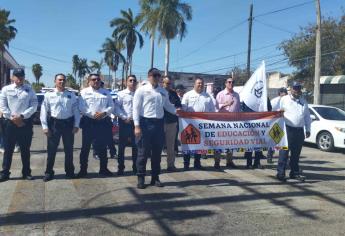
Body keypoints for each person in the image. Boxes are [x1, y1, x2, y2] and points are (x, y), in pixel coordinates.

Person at [133, 68, 177, 189]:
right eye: (154, 75)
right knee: (143, 153)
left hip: (159, 124)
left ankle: (155, 177)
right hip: (145, 123)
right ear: (149, 76)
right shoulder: (141, 90)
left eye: (158, 76)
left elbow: (168, 106)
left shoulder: (163, 91)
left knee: (157, 153)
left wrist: (179, 112)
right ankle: (141, 178)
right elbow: (135, 109)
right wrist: (136, 126)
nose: (157, 77)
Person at [40, 73, 80, 182]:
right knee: (51, 150)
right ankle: (49, 172)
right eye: (59, 80)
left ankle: (70, 171)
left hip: (68, 124)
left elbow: (76, 111)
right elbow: (44, 111)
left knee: (69, 150)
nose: (62, 82)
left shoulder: (71, 95)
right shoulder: (48, 95)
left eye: (63, 80)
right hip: (54, 124)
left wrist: (76, 125)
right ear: (55, 81)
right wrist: (45, 126)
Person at [0, 68, 38, 182]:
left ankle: (26, 172)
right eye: (16, 75)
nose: (19, 78)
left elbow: (34, 104)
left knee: (25, 149)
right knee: (8, 149)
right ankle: (5, 172)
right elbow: (2, 106)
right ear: (12, 77)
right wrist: (13, 117)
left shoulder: (29, 89)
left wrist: (21, 116)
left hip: (24, 123)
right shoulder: (6, 89)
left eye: (21, 75)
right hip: (9, 124)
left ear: (24, 77)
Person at [78, 73, 114, 178]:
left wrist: (104, 113)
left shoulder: (106, 92)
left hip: (102, 122)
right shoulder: (84, 92)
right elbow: (81, 106)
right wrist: (93, 115)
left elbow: (111, 105)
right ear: (89, 81)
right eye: (93, 79)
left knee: (103, 148)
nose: (96, 81)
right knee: (85, 147)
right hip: (89, 122)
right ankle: (83, 170)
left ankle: (103, 169)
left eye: (98, 79)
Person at [277, 82, 311, 181]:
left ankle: (294, 173)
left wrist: (308, 129)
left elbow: (307, 117)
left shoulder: (303, 101)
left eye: (298, 88)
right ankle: (280, 173)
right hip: (288, 129)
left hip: (299, 131)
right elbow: (280, 113)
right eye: (295, 88)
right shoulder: (284, 99)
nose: (297, 90)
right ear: (291, 89)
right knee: (284, 153)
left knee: (296, 154)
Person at [181, 77, 215, 171]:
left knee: (200, 144)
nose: (200, 85)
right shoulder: (187, 95)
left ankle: (197, 163)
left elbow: (212, 110)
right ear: (194, 84)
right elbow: (183, 108)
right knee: (188, 144)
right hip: (189, 123)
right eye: (198, 83)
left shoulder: (208, 96)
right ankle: (186, 164)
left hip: (202, 124)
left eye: (201, 83)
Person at [214, 77, 240, 169]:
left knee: (231, 143)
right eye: (229, 82)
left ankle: (229, 161)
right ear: (225, 83)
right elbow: (215, 108)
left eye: (232, 82)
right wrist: (226, 104)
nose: (231, 84)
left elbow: (238, 109)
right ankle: (217, 162)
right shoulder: (220, 94)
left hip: (233, 123)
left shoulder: (237, 95)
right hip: (221, 123)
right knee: (219, 142)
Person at [115, 75, 138, 175]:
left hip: (136, 123)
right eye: (130, 80)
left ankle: (135, 167)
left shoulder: (139, 94)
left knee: (136, 146)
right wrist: (124, 117)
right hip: (124, 123)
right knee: (121, 147)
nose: (132, 82)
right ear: (126, 82)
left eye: (134, 81)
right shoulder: (121, 94)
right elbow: (116, 108)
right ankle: (120, 167)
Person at [242, 98, 272, 169]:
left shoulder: (264, 97)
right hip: (250, 124)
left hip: (261, 124)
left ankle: (257, 162)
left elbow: (269, 109)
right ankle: (249, 163)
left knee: (259, 145)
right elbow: (244, 109)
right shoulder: (248, 97)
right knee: (250, 144)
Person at [162, 75, 182, 172]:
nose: (169, 85)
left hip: (172, 123)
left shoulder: (174, 94)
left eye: (170, 83)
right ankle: (155, 166)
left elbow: (179, 106)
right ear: (163, 83)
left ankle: (171, 165)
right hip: (160, 123)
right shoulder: (159, 93)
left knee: (171, 146)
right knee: (157, 146)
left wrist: (178, 109)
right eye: (167, 83)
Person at [267, 87, 288, 164]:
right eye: (283, 93)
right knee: (274, 141)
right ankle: (269, 156)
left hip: (284, 124)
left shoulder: (288, 101)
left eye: (286, 93)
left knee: (283, 142)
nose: (285, 94)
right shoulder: (275, 101)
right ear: (279, 94)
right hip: (275, 124)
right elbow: (270, 112)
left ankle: (284, 158)